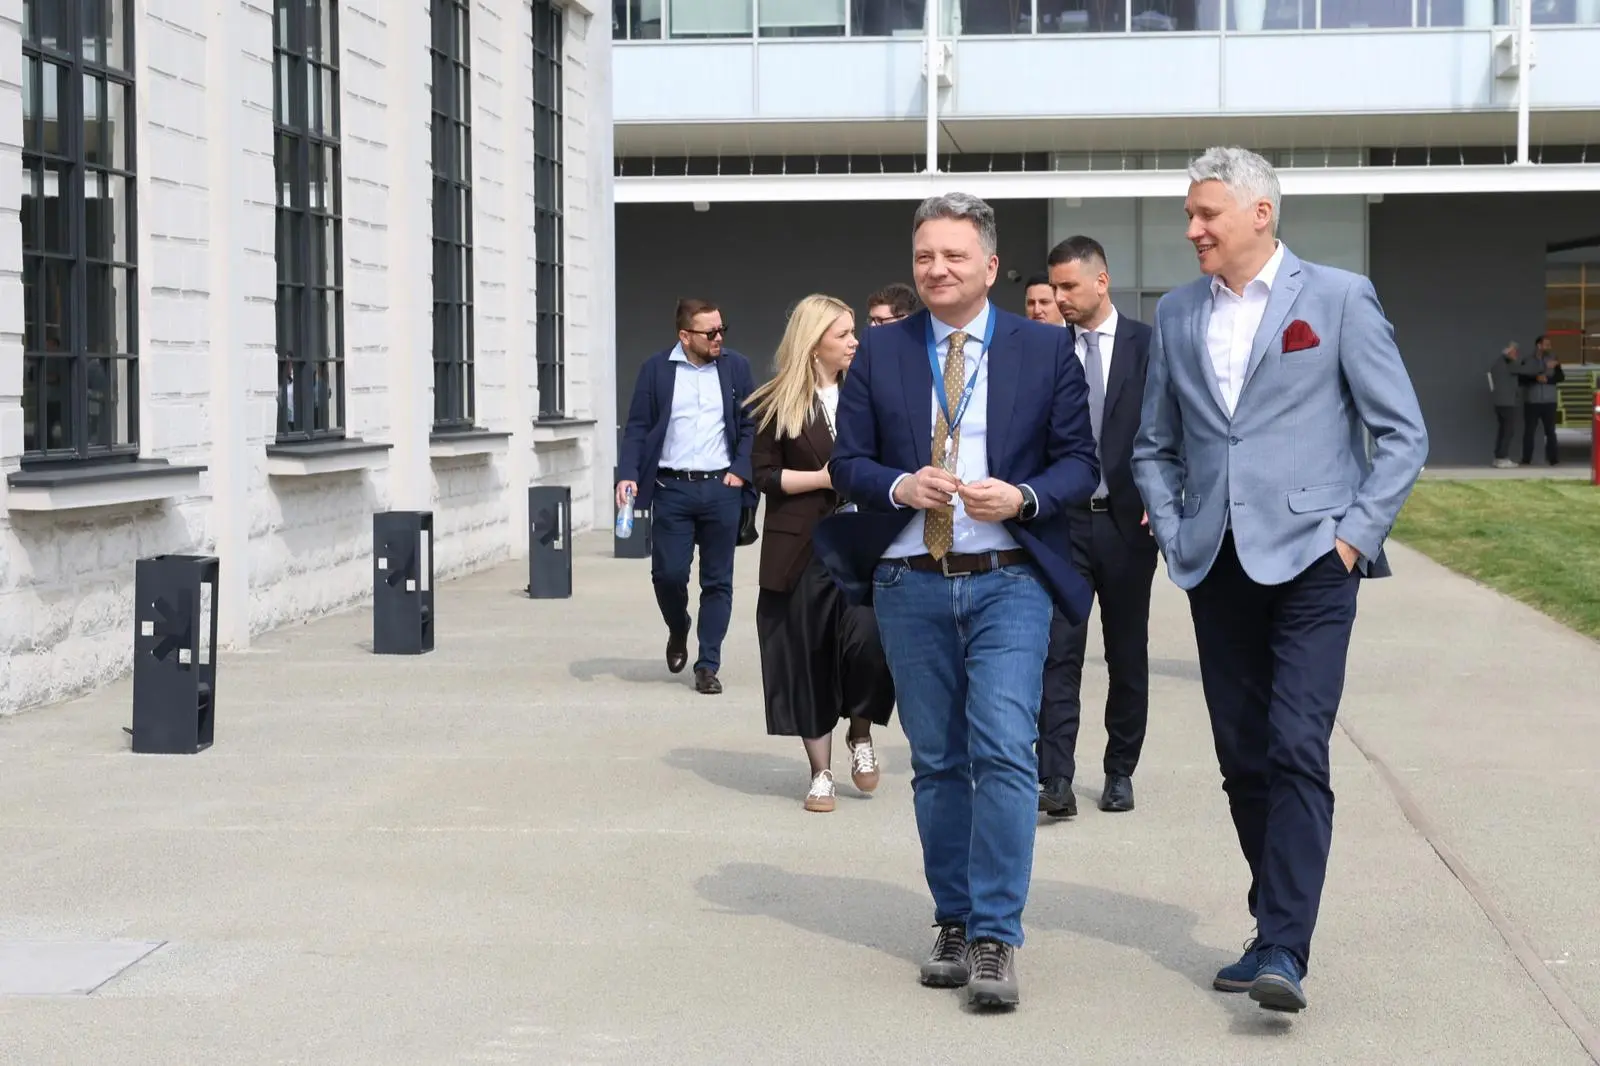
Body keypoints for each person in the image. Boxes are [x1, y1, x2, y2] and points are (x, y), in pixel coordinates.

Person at [1132, 146, 1428, 1014]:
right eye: (1189, 215)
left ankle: (1287, 947)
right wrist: (1175, 527)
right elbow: (1154, 445)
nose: (1193, 229)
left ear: (1260, 213)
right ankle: (1272, 925)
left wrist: (1352, 540)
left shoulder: (1337, 298)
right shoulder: (1177, 311)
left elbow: (1402, 434)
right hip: (1215, 562)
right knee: (1242, 756)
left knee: (1297, 743)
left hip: (1313, 562)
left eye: (1207, 214)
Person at [814, 192, 1100, 1011]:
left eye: (953, 255)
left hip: (1010, 575)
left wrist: (1026, 497)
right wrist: (899, 485)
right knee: (938, 762)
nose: (936, 269)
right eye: (924, 257)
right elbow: (848, 463)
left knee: (1005, 750)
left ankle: (996, 934)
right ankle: (953, 917)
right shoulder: (883, 349)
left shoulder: (1045, 348)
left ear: (990, 265)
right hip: (910, 580)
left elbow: (1080, 464)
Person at [748, 295, 897, 813]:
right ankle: (821, 773)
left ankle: (861, 731)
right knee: (807, 657)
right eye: (843, 334)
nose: (855, 342)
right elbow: (763, 475)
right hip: (801, 550)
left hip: (861, 546)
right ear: (815, 345)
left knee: (869, 644)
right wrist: (823, 478)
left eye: (853, 331)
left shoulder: (869, 394)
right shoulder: (776, 403)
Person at [1036, 236, 1156, 819]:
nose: (1058, 298)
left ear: (1101, 281)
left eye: (1068, 286)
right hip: (1063, 526)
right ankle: (1055, 777)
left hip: (1128, 525)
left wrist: (1165, 495)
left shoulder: (1147, 345)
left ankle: (1119, 770)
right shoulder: (1045, 350)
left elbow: (1173, 425)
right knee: (1058, 652)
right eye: (1054, 287)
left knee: (1126, 653)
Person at [617, 298, 755, 695]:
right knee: (668, 574)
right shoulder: (656, 369)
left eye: (721, 329)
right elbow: (638, 427)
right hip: (671, 488)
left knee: (718, 582)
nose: (718, 337)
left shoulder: (736, 367)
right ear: (684, 336)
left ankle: (708, 664)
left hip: (721, 488)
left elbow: (751, 424)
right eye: (709, 332)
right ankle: (678, 627)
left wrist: (740, 470)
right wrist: (627, 475)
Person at [1486, 341, 1521, 468]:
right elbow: (1523, 370)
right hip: (1506, 402)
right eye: (1513, 351)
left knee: (1503, 430)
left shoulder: (1498, 363)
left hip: (1500, 402)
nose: (1515, 354)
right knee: (1508, 431)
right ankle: (1502, 457)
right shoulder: (1508, 364)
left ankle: (1498, 457)